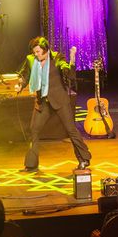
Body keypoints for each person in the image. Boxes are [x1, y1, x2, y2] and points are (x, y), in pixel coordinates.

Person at [21, 37, 91, 172]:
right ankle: (31, 163)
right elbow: (26, 75)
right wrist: (20, 85)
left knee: (71, 130)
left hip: (59, 100)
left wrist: (72, 59)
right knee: (34, 130)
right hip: (42, 101)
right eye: (34, 52)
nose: (36, 54)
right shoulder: (31, 59)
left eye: (38, 52)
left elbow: (69, 74)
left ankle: (84, 159)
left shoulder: (57, 57)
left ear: (45, 50)